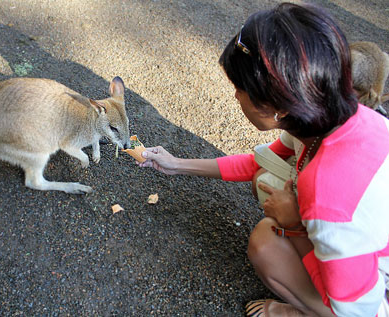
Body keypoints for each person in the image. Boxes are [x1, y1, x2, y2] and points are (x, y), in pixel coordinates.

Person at [137, 3, 389, 316]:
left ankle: (301, 312)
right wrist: (175, 164)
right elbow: (259, 163)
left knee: (265, 244)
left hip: (372, 300)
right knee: (267, 179)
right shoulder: (326, 118)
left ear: (276, 107)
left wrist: (294, 225)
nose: (236, 97)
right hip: (363, 248)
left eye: (240, 89)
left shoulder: (327, 193)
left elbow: (357, 309)